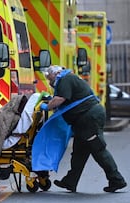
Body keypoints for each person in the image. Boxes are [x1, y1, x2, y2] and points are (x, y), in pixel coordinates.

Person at [40, 65, 127, 193]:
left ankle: (117, 180)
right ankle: (70, 181)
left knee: (98, 149)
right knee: (79, 153)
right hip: (83, 121)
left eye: (49, 78)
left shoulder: (65, 79)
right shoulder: (68, 78)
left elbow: (59, 99)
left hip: (88, 118)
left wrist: (47, 106)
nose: (49, 81)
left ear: (56, 73)